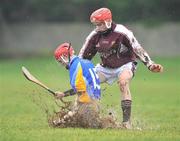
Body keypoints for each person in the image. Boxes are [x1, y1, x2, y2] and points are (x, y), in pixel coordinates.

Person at [78, 7, 163, 129]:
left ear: (107, 22)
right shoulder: (94, 35)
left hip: (125, 65)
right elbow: (83, 57)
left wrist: (150, 64)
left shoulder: (122, 32)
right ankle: (75, 116)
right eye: (95, 25)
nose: (97, 27)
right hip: (105, 68)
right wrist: (74, 67)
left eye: (99, 24)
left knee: (123, 82)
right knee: (86, 84)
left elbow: (137, 48)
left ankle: (126, 124)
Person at [53, 42, 102, 128]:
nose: (62, 64)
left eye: (61, 61)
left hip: (88, 102)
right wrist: (64, 94)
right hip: (96, 99)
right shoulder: (84, 62)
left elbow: (81, 93)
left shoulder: (75, 67)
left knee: (88, 124)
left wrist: (66, 118)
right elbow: (82, 87)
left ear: (65, 56)